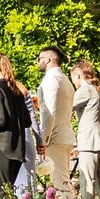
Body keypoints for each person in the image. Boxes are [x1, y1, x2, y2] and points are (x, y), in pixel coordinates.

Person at [0, 53, 36, 199]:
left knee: (0, 194)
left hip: (2, 146)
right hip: (18, 148)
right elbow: (27, 121)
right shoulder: (15, 88)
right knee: (8, 191)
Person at [70, 61, 100, 199]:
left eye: (73, 78)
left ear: (78, 75)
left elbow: (67, 107)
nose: (73, 82)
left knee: (87, 180)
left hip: (89, 141)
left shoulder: (84, 90)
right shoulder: (98, 91)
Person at [36, 47, 75, 191]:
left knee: (61, 184)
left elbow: (48, 111)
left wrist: (43, 139)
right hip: (66, 134)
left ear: (48, 59)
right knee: (65, 181)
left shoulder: (50, 79)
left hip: (55, 137)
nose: (38, 62)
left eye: (39, 59)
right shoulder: (65, 79)